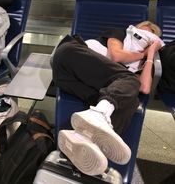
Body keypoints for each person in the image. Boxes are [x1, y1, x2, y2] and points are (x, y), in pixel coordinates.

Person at [52, 21, 164, 176]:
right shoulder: (119, 34)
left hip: (75, 82)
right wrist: (143, 53)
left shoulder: (140, 63)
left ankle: (82, 146)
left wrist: (150, 55)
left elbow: (144, 88)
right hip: (69, 57)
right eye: (141, 33)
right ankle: (98, 115)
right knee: (130, 80)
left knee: (131, 100)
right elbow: (116, 57)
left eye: (149, 38)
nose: (143, 40)